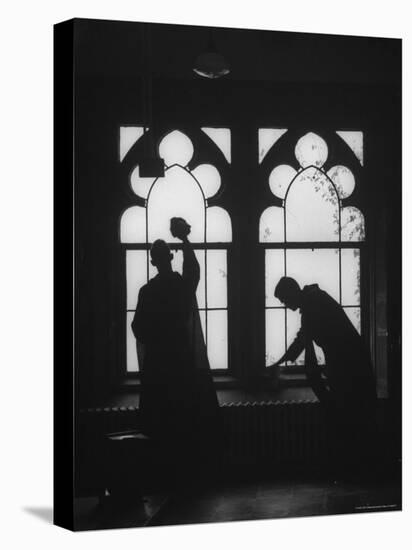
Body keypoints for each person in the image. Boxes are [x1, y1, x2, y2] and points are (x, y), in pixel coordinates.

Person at [131, 217, 219, 479]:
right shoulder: (180, 286)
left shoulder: (147, 291)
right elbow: (194, 271)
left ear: (153, 262)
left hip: (158, 365)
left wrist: (156, 337)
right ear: (170, 257)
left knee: (162, 421)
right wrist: (185, 240)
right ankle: (185, 473)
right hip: (181, 363)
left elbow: (137, 328)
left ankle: (164, 473)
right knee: (183, 418)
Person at [269, 276, 377, 473]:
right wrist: (279, 362)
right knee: (353, 412)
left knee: (349, 413)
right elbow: (304, 339)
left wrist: (279, 364)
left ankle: (354, 464)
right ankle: (358, 463)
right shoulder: (314, 300)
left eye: (284, 300)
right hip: (348, 362)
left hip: (348, 365)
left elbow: (303, 341)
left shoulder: (312, 304)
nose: (285, 305)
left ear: (292, 292)